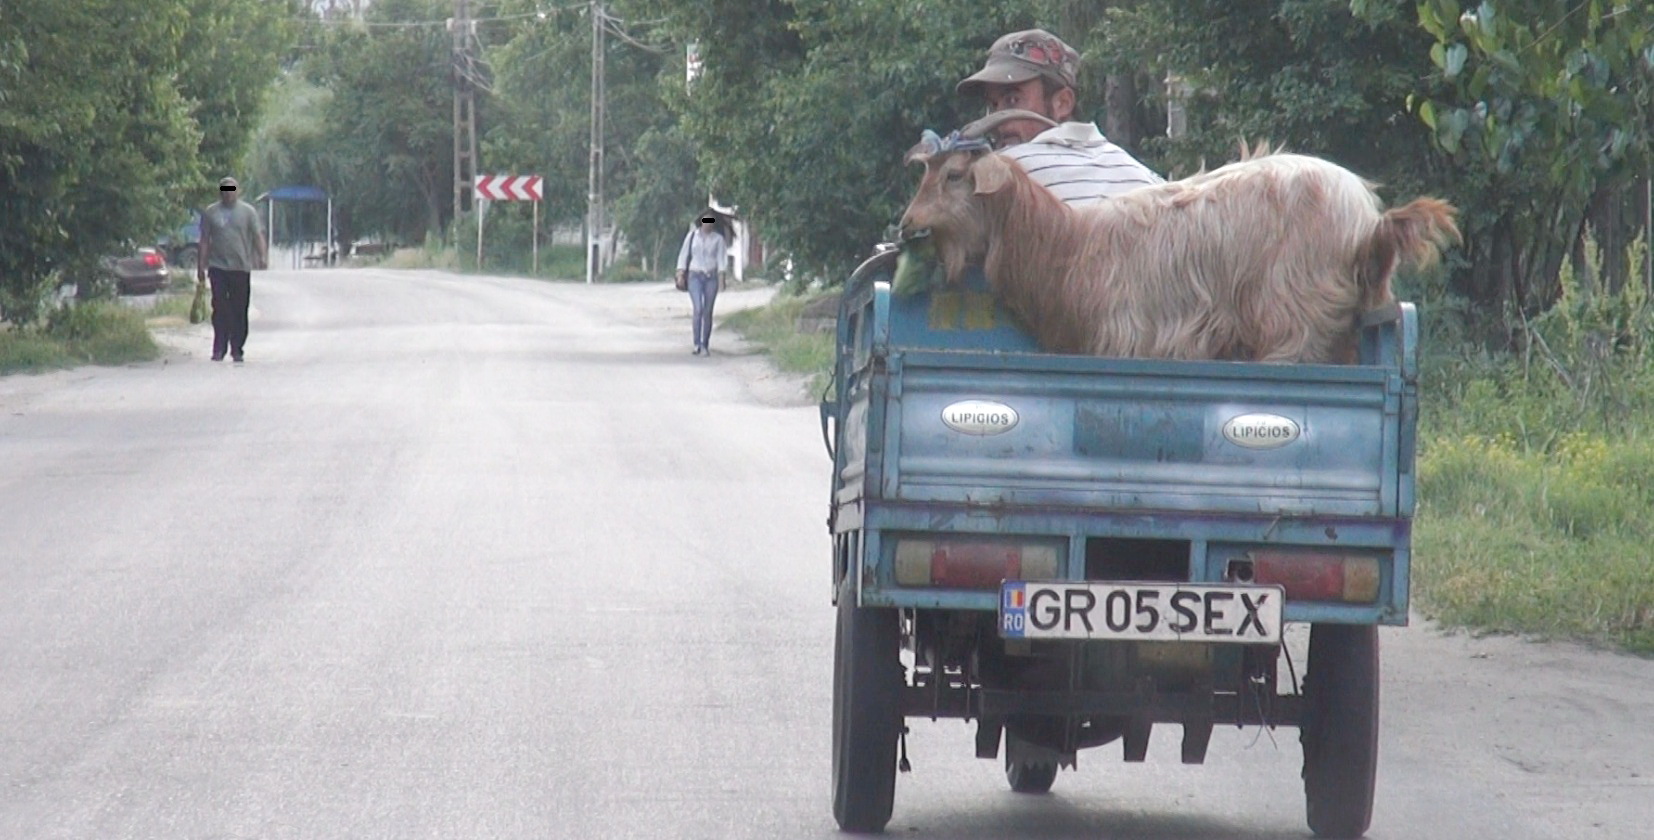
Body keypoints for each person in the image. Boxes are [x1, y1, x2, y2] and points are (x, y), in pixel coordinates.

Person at [956, 29, 1163, 205]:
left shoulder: (1005, 172)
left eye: (1012, 101)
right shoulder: (1148, 182)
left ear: (1062, 103)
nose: (997, 122)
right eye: (993, 106)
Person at [196, 176, 267, 363]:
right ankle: (219, 347)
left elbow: (257, 235)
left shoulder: (248, 212)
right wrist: (201, 266)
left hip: (240, 267)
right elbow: (204, 240)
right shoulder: (211, 213)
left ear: (238, 191)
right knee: (220, 307)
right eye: (224, 190)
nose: (228, 194)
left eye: (231, 190)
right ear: (220, 192)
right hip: (218, 267)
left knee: (239, 309)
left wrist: (262, 255)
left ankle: (237, 348)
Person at [675, 213, 728, 356]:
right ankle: (696, 343)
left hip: (711, 276)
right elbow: (683, 254)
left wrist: (722, 277)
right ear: (701, 222)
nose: (708, 224)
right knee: (698, 308)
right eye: (706, 221)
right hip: (694, 275)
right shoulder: (692, 236)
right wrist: (680, 273)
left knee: (707, 311)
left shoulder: (718, 239)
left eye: (711, 222)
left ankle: (705, 344)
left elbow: (721, 258)